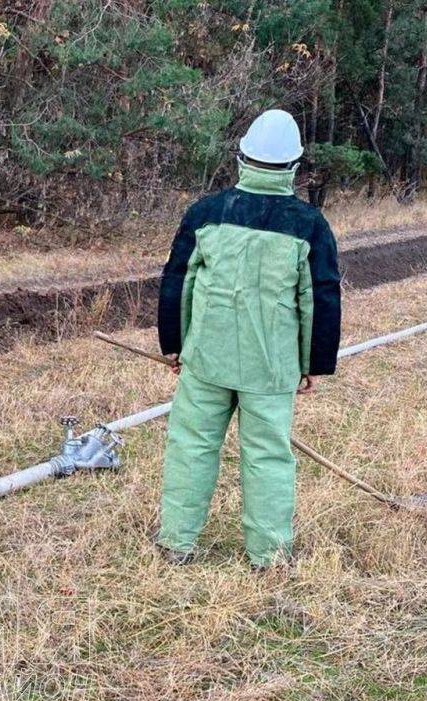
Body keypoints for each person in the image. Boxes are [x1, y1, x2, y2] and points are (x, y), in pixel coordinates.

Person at [155, 109, 341, 568]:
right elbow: (319, 297)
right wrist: (312, 364)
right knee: (268, 458)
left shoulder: (205, 213)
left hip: (206, 361)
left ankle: (176, 544)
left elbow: (179, 280)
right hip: (272, 368)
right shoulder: (309, 224)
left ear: (242, 159)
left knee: (191, 447)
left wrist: (175, 344)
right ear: (294, 168)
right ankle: (270, 557)